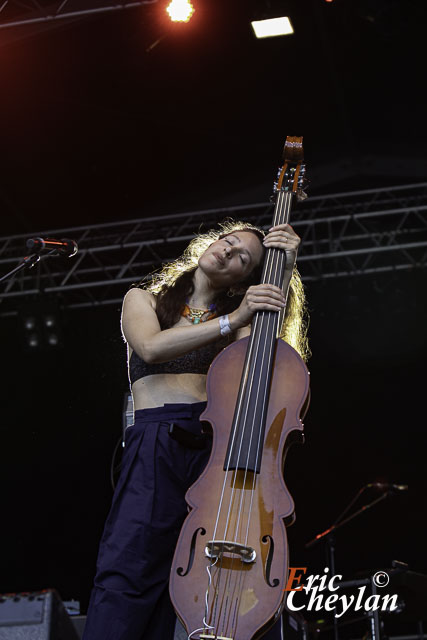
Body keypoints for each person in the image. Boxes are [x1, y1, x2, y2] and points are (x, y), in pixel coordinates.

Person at [82, 219, 309, 640]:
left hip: (212, 454)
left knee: (195, 582)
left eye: (243, 256)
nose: (228, 250)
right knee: (128, 569)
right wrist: (233, 318)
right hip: (155, 440)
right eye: (228, 241)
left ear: (244, 281)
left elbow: (258, 368)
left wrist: (282, 267)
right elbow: (150, 347)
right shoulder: (142, 299)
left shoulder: (240, 320)